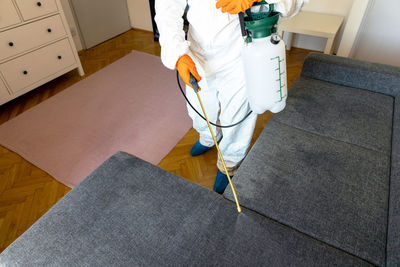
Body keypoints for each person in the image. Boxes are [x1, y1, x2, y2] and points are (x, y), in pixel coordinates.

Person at [155, 0, 305, 194]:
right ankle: (208, 137)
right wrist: (177, 54)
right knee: (199, 107)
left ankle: (230, 162)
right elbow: (166, 10)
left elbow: (295, 3)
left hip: (240, 54)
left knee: (236, 117)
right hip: (196, 54)